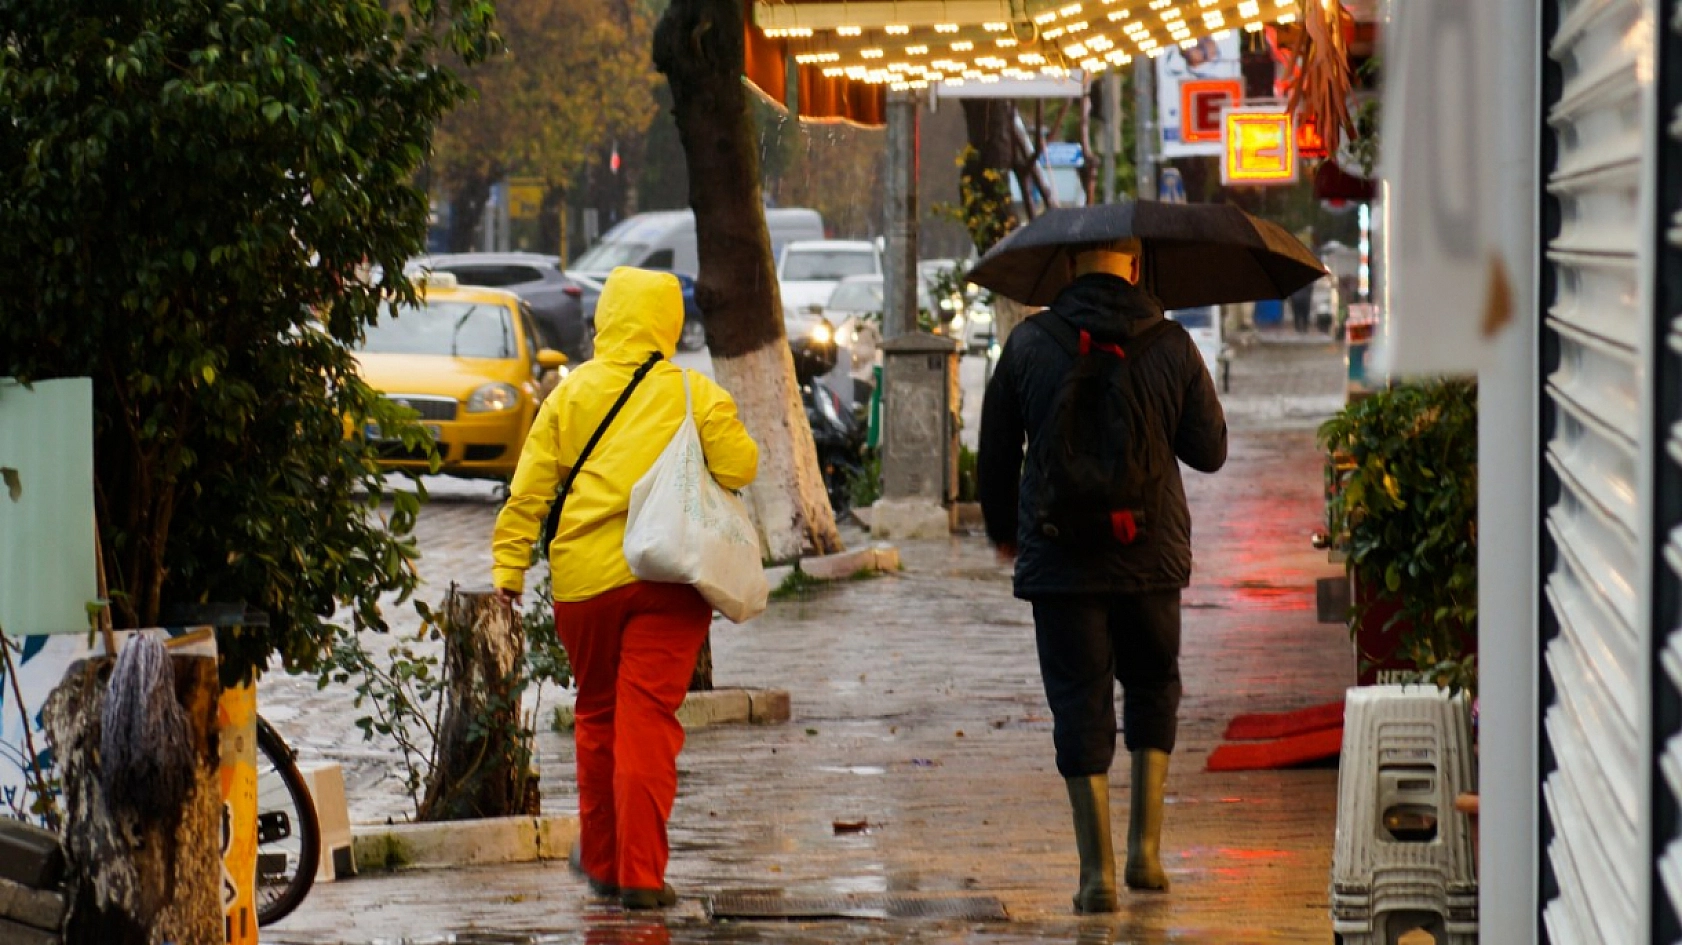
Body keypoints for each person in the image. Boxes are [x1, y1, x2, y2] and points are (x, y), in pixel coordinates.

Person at [490, 267, 758, 909]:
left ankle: (605, 863)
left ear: (606, 318)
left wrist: (508, 571)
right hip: (668, 577)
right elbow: (740, 466)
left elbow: (527, 492)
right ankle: (639, 875)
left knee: (597, 716)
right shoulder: (694, 393)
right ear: (668, 322)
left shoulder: (570, 393)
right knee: (648, 723)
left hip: (585, 585)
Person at [976, 238, 1227, 913]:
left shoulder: (1028, 344)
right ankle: (1147, 851)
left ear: (1067, 267)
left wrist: (1004, 530)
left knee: (1077, 697)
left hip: (1061, 559)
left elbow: (995, 453)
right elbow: (1209, 451)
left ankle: (1097, 875)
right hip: (1150, 555)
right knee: (1152, 684)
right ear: (1137, 267)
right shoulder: (1173, 345)